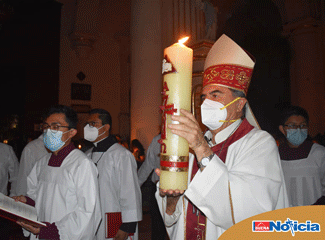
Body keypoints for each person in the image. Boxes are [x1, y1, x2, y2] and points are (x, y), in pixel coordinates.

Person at [155, 34, 289, 240]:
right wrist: (171, 203)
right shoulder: (188, 147)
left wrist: (201, 147)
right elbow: (174, 219)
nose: (206, 102)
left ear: (239, 104)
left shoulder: (259, 144)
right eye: (203, 97)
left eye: (216, 95)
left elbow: (251, 213)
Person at [13, 105, 101, 240]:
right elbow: (37, 195)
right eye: (46, 126)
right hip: (41, 232)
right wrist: (26, 201)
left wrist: (51, 231)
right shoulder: (42, 163)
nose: (49, 131)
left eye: (55, 127)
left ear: (72, 132)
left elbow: (88, 211)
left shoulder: (82, 164)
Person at [84, 108, 142, 240]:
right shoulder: (87, 155)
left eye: (93, 124)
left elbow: (131, 192)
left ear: (106, 128)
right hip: (91, 219)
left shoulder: (122, 155)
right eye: (87, 124)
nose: (88, 127)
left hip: (114, 220)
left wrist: (127, 226)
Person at [278, 106, 325, 206]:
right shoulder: (276, 155)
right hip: (285, 214)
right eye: (292, 126)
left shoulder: (319, 153)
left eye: (303, 125)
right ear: (282, 129)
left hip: (314, 213)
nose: (298, 129)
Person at [137, 134, 167, 240]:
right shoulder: (157, 140)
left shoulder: (184, 136)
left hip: (179, 191)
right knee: (157, 226)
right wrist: (136, 185)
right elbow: (148, 164)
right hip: (158, 190)